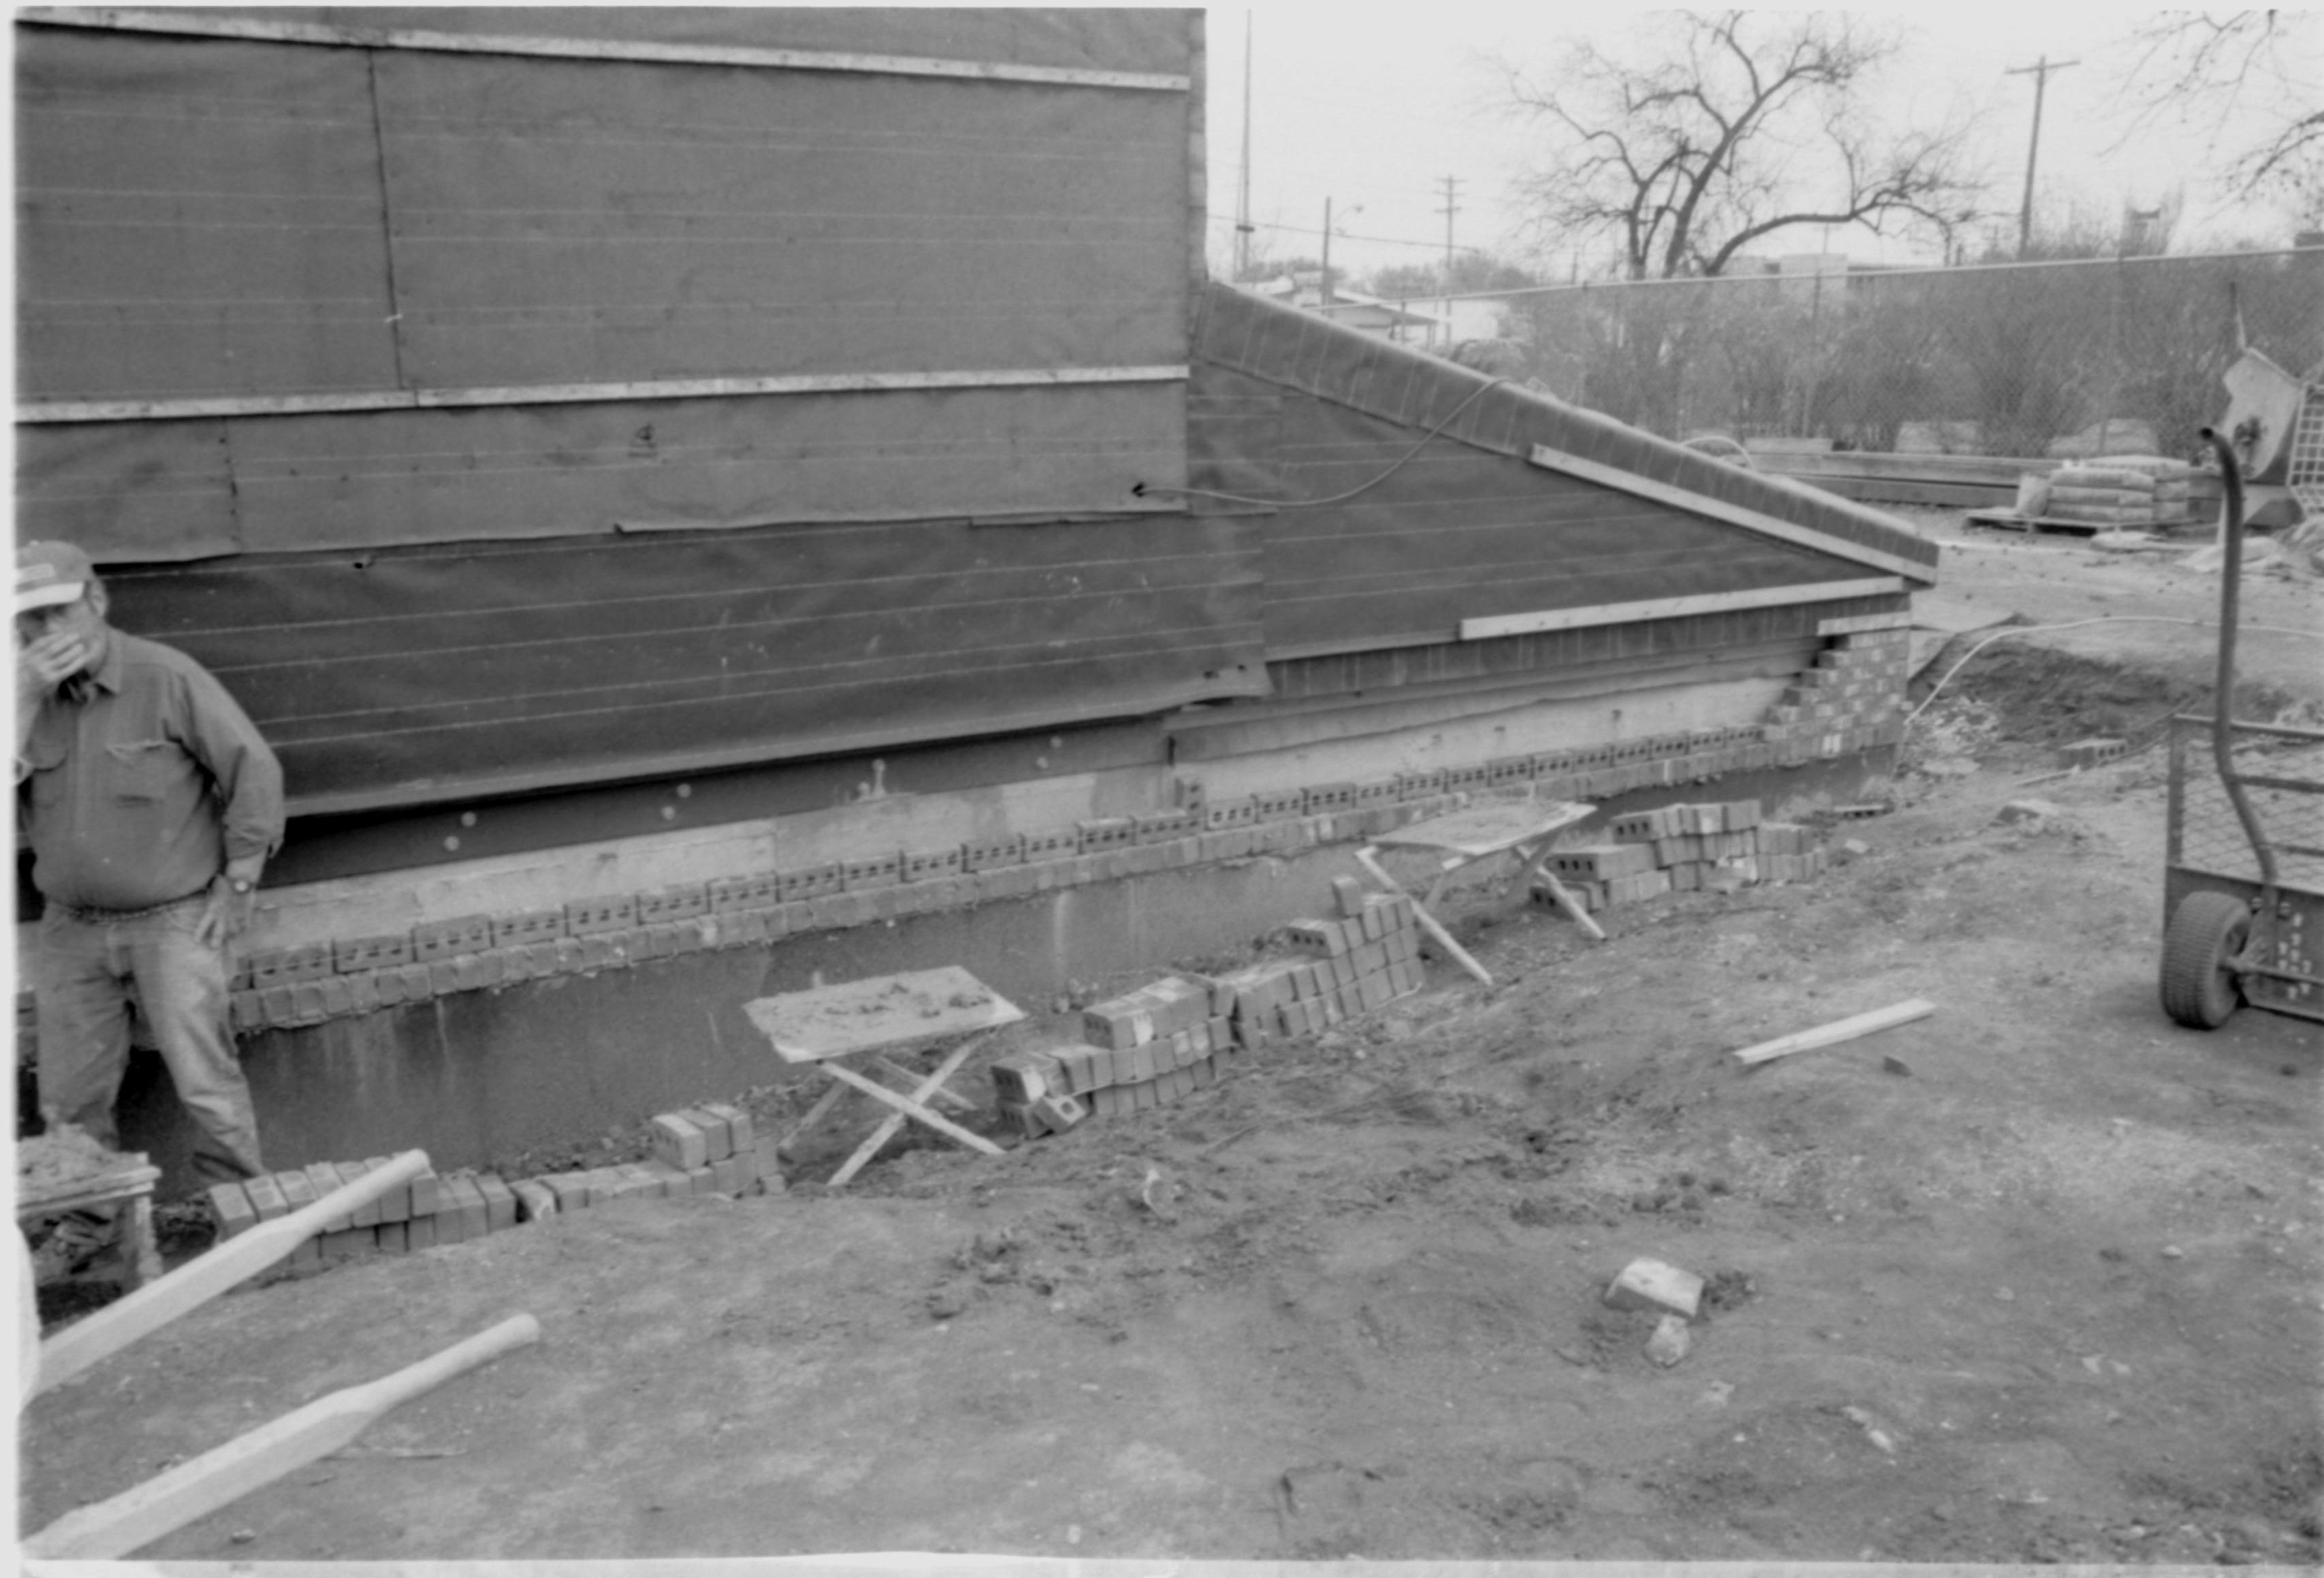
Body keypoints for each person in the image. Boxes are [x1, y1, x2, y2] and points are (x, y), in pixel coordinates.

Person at [15, 540, 284, 1281]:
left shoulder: (164, 676)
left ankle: (240, 1215)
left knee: (206, 1078)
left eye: (57, 610)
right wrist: (22, 697)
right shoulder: (18, 699)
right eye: (26, 621)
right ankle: (86, 1226)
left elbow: (251, 768)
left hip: (174, 920)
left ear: (96, 600)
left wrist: (239, 881)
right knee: (68, 1094)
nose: (45, 633)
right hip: (70, 927)